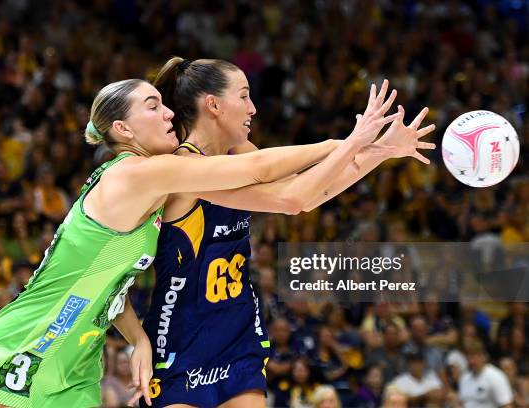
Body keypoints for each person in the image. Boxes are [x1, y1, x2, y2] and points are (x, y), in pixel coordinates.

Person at [0, 78, 391, 408]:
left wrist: (139, 339)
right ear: (122, 128)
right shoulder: (133, 174)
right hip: (33, 338)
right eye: (153, 106)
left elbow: (103, 281)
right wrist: (348, 141)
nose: (168, 113)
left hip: (79, 360)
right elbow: (258, 167)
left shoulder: (151, 196)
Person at [142, 57, 435, 408]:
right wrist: (348, 142)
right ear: (214, 105)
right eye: (244, 96)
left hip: (236, 328)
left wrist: (380, 152)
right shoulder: (182, 169)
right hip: (180, 336)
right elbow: (291, 198)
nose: (252, 107)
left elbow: (312, 192)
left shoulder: (241, 152)